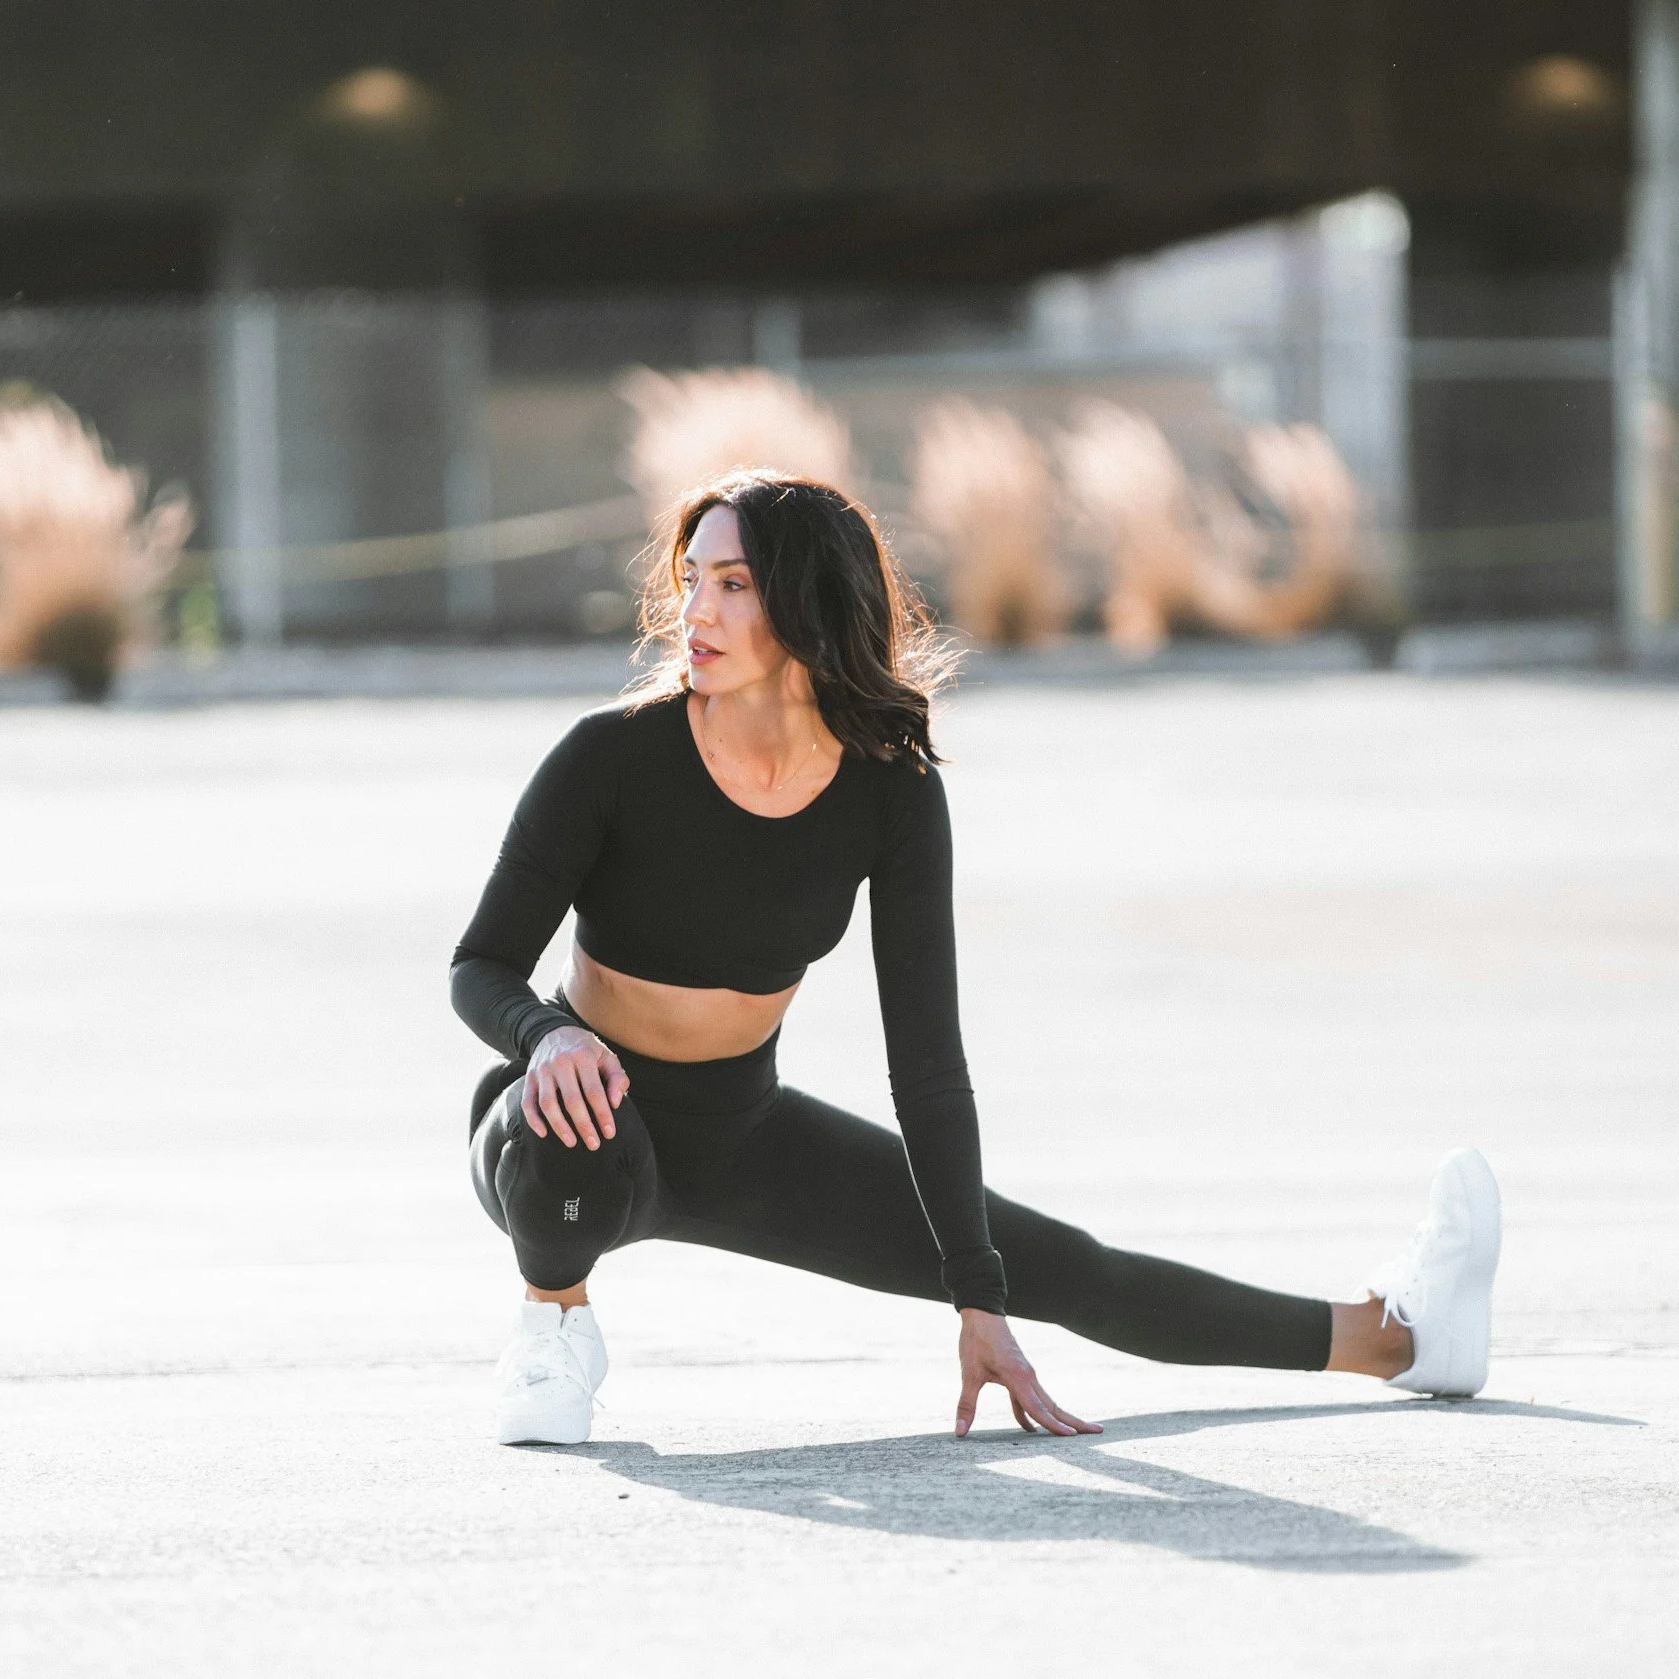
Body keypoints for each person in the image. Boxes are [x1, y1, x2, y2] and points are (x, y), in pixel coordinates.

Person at [449, 471, 1500, 1446]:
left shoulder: (889, 791)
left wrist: (978, 1294)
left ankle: (1395, 1336)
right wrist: (545, 1037)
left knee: (1062, 1266)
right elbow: (480, 963)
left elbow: (928, 1066)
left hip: (742, 1132)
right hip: (571, 1115)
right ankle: (553, 1323)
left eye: (733, 583)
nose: (697, 611)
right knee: (568, 1134)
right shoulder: (612, 756)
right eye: (690, 582)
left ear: (807, 598)